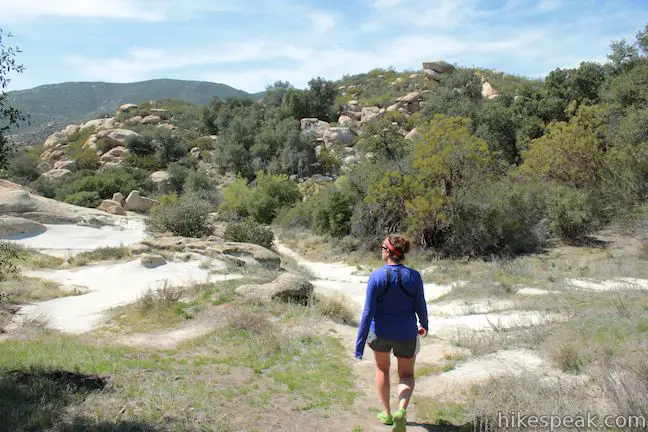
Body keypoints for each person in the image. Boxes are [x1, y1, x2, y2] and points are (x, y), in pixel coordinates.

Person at [355, 234, 428, 432]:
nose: (380, 250)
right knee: (406, 375)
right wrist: (425, 324)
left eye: (382, 247)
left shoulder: (376, 276)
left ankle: (387, 414)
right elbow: (420, 305)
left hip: (379, 334)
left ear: (388, 251)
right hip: (406, 334)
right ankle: (401, 412)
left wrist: (360, 344)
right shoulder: (414, 276)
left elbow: (368, 312)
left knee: (382, 371)